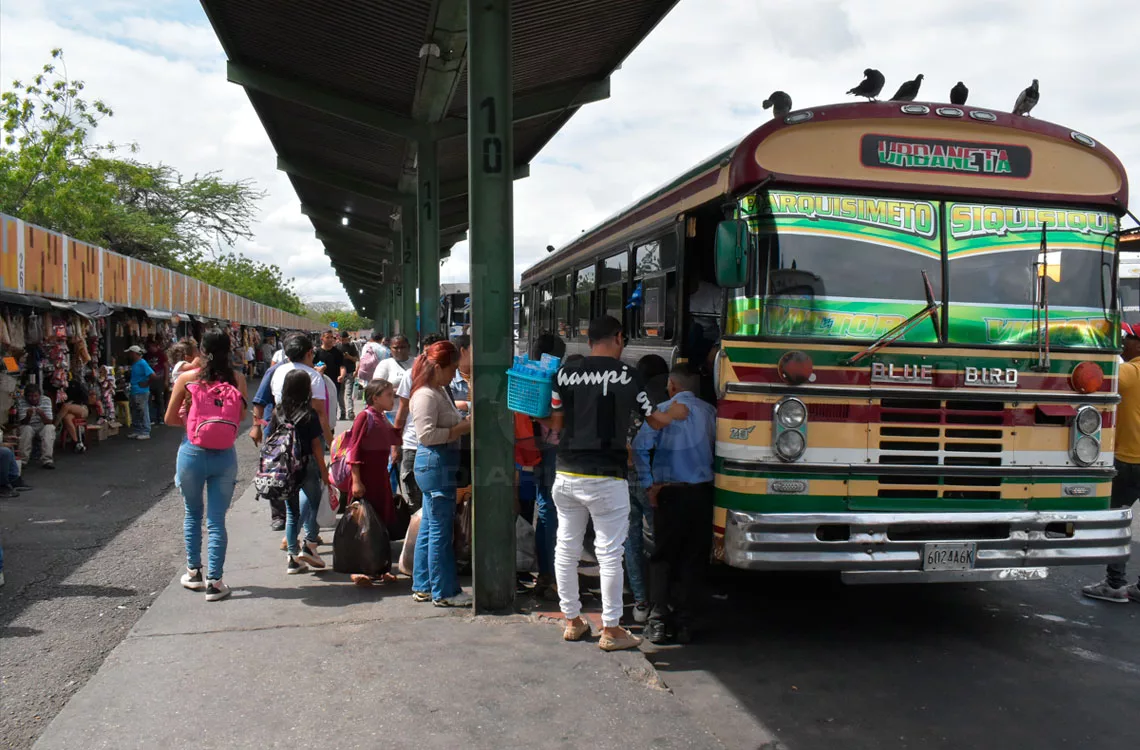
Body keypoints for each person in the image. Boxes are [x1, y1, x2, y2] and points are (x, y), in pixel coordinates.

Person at [543, 316, 688, 651]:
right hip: (606, 477)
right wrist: (676, 413)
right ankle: (610, 629)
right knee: (610, 553)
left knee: (565, 548)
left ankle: (573, 621)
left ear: (590, 339)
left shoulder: (563, 374)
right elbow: (654, 418)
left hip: (566, 473)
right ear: (619, 338)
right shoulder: (628, 376)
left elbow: (555, 422)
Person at [633, 365, 717, 643]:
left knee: (662, 557)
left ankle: (657, 621)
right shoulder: (710, 413)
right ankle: (685, 623)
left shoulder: (661, 411)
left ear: (671, 385)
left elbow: (640, 447)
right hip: (702, 494)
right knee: (693, 558)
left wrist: (649, 485)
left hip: (668, 493)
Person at [165, 329, 247, 602]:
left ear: (201, 350)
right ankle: (215, 582)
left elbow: (169, 419)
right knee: (216, 520)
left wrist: (192, 422)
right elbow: (240, 418)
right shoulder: (238, 379)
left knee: (192, 513)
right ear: (229, 350)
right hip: (225, 455)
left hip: (192, 452)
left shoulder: (187, 379)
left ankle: (194, 573)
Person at [410, 340, 473, 607]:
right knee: (440, 531)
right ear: (438, 367)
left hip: (438, 463)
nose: (453, 374)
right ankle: (444, 592)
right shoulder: (426, 394)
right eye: (451, 369)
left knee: (430, 529)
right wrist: (462, 428)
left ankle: (423, 584)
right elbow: (426, 435)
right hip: (435, 462)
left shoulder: (437, 390)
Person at [1082, 325, 1140, 603]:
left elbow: (1096, 376)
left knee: (1117, 521)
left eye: (1129, 339)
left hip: (1130, 460)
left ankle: (1115, 584)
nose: (1125, 344)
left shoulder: (1131, 373)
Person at [270, 369, 330, 575]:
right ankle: (310, 543)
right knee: (315, 504)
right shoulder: (309, 414)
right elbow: (316, 446)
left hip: (286, 468)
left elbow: (270, 439)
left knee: (292, 512)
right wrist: (324, 471)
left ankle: (292, 557)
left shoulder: (278, 411)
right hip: (307, 465)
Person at [625, 353, 670, 623]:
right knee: (661, 540)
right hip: (653, 479)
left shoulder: (630, 398)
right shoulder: (662, 403)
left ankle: (640, 601)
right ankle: (662, 601)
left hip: (625, 477)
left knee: (630, 542)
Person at [528, 333, 567, 600]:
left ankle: (545, 572)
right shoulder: (557, 378)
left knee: (545, 509)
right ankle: (553, 574)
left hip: (530, 449)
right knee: (555, 512)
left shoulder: (527, 376)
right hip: (554, 449)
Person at [393, 333, 446, 511]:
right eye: (425, 355)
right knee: (415, 502)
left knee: (435, 502)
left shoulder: (448, 376)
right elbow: (402, 409)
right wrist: (395, 445)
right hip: (413, 445)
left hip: (440, 446)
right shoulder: (412, 375)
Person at [344, 380, 402, 529]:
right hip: (366, 477)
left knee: (379, 516)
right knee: (363, 519)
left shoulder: (382, 417)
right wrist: (356, 480)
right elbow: (354, 449)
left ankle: (378, 548)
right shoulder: (365, 417)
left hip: (380, 476)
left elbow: (395, 436)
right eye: (388, 395)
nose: (392, 399)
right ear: (375, 398)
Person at [269, 334, 332, 446]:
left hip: (282, 433)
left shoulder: (278, 371)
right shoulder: (313, 375)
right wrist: (331, 444)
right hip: (308, 437)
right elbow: (320, 413)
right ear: (309, 353)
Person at [313, 330, 349, 421]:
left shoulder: (337, 353)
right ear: (322, 339)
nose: (330, 339)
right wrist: (317, 369)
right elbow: (311, 366)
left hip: (334, 383)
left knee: (333, 404)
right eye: (327, 337)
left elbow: (342, 366)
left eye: (331, 337)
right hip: (319, 382)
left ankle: (331, 423)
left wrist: (342, 376)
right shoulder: (317, 352)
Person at [17, 384, 55, 469]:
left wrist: (42, 415)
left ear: (39, 396)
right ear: (26, 396)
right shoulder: (21, 401)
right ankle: (23, 460)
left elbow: (49, 421)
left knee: (49, 429)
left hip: (42, 425)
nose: (33, 399)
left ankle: (47, 460)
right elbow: (23, 422)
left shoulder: (46, 400)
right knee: (26, 430)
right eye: (30, 396)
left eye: (35, 396)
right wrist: (28, 416)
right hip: (29, 425)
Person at [125, 344, 155, 440]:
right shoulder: (135, 364)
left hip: (141, 391)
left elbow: (153, 375)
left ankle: (145, 431)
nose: (129, 355)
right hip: (135, 390)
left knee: (142, 411)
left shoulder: (142, 363)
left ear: (134, 353)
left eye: (130, 353)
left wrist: (146, 384)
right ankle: (137, 430)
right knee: (135, 411)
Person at [57, 377, 91, 454]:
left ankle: (55, 425)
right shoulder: (62, 391)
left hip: (82, 408)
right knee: (66, 418)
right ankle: (76, 443)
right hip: (71, 412)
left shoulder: (75, 386)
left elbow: (84, 400)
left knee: (66, 406)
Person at [338, 331, 360, 420]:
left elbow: (356, 359)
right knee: (340, 394)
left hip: (350, 372)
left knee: (348, 393)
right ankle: (342, 412)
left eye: (345, 339)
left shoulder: (351, 346)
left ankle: (350, 412)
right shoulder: (337, 347)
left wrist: (348, 357)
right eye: (342, 339)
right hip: (339, 373)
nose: (343, 341)